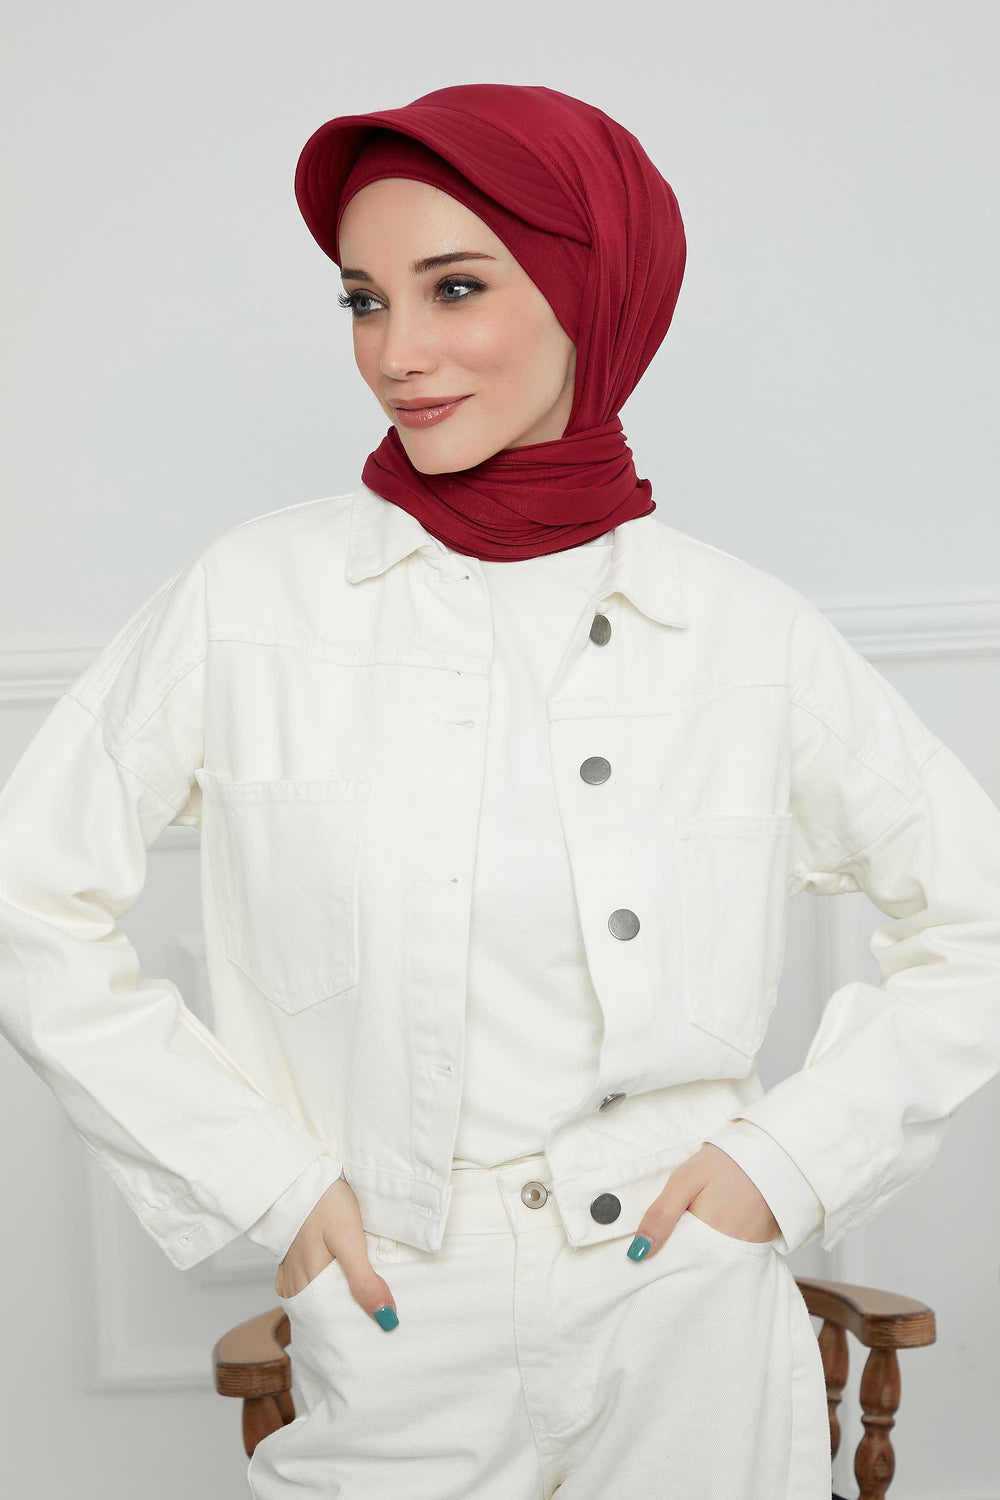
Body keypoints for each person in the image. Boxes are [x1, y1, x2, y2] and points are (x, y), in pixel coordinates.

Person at [2, 83, 999, 1500]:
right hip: (399, 1307)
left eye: (453, 288)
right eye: (363, 302)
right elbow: (29, 899)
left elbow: (975, 916)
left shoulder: (742, 632)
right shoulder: (253, 599)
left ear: (592, 295)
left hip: (686, 1304)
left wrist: (786, 1164)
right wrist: (264, 1184)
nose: (396, 353)